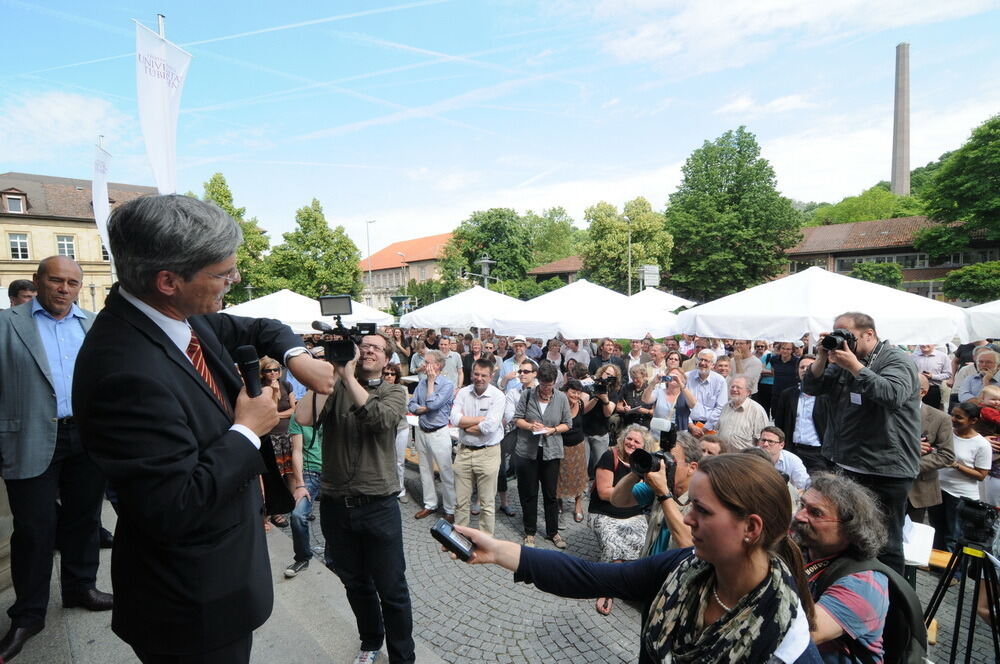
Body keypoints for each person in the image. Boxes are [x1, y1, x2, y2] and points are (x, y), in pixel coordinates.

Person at [74, 195, 335, 663]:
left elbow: (261, 326)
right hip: (191, 607)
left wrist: (298, 356)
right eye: (222, 273)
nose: (235, 280)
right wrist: (247, 431)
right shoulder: (124, 371)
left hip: (220, 580)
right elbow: (175, 505)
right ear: (168, 280)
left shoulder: (173, 315)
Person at [450, 454, 821, 664]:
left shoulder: (787, 642)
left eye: (703, 511)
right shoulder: (683, 567)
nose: (687, 518)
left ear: (751, 528)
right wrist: (498, 550)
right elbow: (591, 576)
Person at [0, 257, 110, 662]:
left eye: (72, 282)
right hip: (29, 436)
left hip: (85, 435)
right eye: (55, 280)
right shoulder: (7, 323)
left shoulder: (94, 325)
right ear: (37, 280)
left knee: (84, 519)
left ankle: (81, 588)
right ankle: (28, 615)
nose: (64, 289)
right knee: (34, 530)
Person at [297, 329, 415, 664]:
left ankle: (403, 658)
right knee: (355, 583)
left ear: (387, 358)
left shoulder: (394, 391)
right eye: (363, 346)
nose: (368, 351)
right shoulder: (334, 387)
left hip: (378, 504)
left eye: (376, 347)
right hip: (336, 505)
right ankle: (370, 641)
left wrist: (348, 378)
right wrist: (332, 373)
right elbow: (303, 418)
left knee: (392, 589)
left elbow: (381, 421)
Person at [802, 311, 921, 574]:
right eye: (838, 334)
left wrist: (855, 366)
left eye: (848, 335)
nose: (843, 340)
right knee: (848, 536)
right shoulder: (841, 360)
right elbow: (811, 387)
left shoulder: (897, 360)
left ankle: (889, 596)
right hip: (845, 463)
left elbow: (892, 394)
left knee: (885, 542)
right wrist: (822, 355)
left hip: (885, 469)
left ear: (869, 334)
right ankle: (850, 588)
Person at [791, 473, 895, 664]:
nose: (799, 515)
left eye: (816, 513)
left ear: (850, 528)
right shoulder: (802, 548)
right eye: (802, 505)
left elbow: (797, 636)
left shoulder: (864, 584)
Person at [588, 426, 657, 616]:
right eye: (629, 438)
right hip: (604, 513)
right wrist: (632, 491)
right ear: (623, 438)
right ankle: (606, 589)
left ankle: (627, 579)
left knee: (644, 542)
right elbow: (603, 492)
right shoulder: (610, 456)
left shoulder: (645, 463)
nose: (631, 443)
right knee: (614, 547)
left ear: (644, 446)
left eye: (637, 441)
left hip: (633, 515)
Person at [611, 434, 702, 556]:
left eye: (669, 459)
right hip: (648, 564)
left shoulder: (700, 502)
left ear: (692, 468)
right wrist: (638, 470)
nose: (663, 464)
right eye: (661, 457)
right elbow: (617, 500)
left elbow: (688, 544)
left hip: (670, 568)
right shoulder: (657, 487)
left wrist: (663, 494)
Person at [513, 361, 572, 549]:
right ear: (538, 380)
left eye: (550, 385)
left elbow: (568, 423)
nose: (546, 389)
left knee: (550, 494)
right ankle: (529, 531)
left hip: (551, 451)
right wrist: (531, 426)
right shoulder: (527, 394)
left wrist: (552, 430)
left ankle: (552, 531)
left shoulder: (561, 398)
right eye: (543, 385)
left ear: (555, 383)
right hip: (528, 451)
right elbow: (517, 419)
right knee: (529, 493)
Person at [450, 359, 505, 535]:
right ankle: (459, 540)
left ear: (491, 376)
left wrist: (465, 425)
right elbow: (454, 419)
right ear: (472, 373)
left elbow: (490, 427)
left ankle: (485, 542)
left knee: (487, 504)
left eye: (483, 375)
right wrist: (479, 420)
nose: (479, 378)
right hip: (464, 452)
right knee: (461, 502)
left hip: (488, 453)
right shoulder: (463, 392)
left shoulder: (498, 396)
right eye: (476, 374)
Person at [927, 402, 991, 553]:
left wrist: (956, 465)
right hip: (938, 489)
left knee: (953, 535)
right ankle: (934, 562)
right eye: (952, 415)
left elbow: (981, 475)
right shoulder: (946, 434)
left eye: (959, 417)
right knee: (936, 530)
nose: (953, 419)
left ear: (973, 421)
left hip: (960, 496)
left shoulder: (982, 444)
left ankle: (950, 566)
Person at [409, 350, 456, 522]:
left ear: (437, 365)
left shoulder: (447, 384)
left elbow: (433, 403)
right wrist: (423, 409)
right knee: (425, 470)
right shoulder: (421, 382)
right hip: (422, 431)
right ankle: (430, 504)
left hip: (439, 433)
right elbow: (411, 404)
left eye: (427, 362)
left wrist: (430, 382)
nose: (423, 365)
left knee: (445, 472)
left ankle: (450, 509)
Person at [284, 391, 325, 579]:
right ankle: (302, 557)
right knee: (298, 515)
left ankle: (333, 560)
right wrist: (300, 484)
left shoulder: (333, 412)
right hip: (311, 471)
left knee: (335, 519)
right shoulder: (298, 417)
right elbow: (297, 451)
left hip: (335, 472)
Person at [905, 374, 955, 524]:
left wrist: (908, 465)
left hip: (918, 489)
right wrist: (909, 447)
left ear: (922, 392)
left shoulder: (940, 418)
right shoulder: (885, 412)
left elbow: (946, 455)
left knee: (912, 533)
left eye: (908, 387)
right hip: (885, 486)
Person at [772, 355, 831, 474]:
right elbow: (779, 424)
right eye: (802, 367)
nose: (805, 370)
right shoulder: (788, 395)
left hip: (818, 454)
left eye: (810, 367)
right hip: (793, 450)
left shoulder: (827, 396)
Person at [260, 356, 297, 528]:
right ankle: (275, 510)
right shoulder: (261, 388)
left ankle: (294, 505)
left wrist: (277, 416)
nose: (273, 373)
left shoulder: (287, 385)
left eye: (276, 369)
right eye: (268, 370)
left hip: (287, 433)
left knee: (291, 471)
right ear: (263, 372)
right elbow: (269, 410)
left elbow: (293, 409)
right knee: (276, 474)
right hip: (270, 436)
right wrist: (274, 392)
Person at [556, 380, 590, 524]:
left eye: (578, 392)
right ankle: (558, 503)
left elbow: (589, 399)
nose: (576, 395)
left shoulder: (581, 404)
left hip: (578, 446)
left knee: (579, 476)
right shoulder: (558, 404)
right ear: (565, 391)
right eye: (573, 392)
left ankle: (578, 505)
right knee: (559, 476)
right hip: (561, 446)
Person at [583, 363, 622, 478]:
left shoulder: (613, 393)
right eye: (607, 373)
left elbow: (608, 413)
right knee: (582, 465)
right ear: (601, 373)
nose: (608, 377)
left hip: (601, 433)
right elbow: (583, 410)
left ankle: (598, 486)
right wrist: (595, 397)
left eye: (611, 376)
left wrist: (605, 399)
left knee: (600, 466)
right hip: (584, 431)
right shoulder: (589, 386)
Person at [641, 367, 696, 444]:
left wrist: (680, 383)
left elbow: (692, 404)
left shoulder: (685, 395)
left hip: (678, 438)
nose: (673, 377)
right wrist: (653, 383)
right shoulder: (659, 392)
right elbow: (645, 400)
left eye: (676, 375)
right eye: (671, 375)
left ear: (682, 379)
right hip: (657, 437)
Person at [380, 363, 410, 503]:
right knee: (382, 459)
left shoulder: (403, 389)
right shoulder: (377, 389)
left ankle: (400, 489)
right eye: (386, 373)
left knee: (399, 461)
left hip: (401, 428)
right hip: (383, 429)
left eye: (392, 374)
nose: (389, 376)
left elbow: (403, 409)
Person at [714, 376, 769, 450]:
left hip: (744, 456)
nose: (734, 389)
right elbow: (717, 430)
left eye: (738, 387)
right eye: (732, 387)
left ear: (748, 392)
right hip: (723, 454)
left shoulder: (757, 411)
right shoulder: (726, 407)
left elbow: (763, 440)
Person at [756, 426, 810, 491]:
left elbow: (803, 487)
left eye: (770, 441)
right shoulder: (750, 455)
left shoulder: (793, 461)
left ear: (781, 445)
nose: (765, 444)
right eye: (763, 440)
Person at [685, 349, 727, 432]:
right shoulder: (686, 377)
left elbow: (720, 407)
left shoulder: (720, 381)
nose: (702, 363)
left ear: (713, 365)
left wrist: (706, 428)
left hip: (710, 427)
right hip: (688, 425)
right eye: (700, 359)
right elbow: (681, 405)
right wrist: (691, 426)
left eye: (706, 361)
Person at [910, 344, 950, 410]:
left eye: (927, 343)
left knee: (932, 412)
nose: (924, 345)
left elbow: (948, 374)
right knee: (914, 410)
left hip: (933, 389)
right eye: (922, 342)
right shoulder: (913, 356)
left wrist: (933, 376)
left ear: (933, 344)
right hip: (915, 389)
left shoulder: (942, 356)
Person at [619, 365, 655, 429]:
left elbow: (656, 411)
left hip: (645, 422)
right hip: (628, 422)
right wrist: (624, 409)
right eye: (633, 378)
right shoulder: (626, 387)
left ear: (643, 376)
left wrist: (647, 411)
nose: (635, 380)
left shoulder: (650, 389)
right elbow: (618, 407)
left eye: (637, 378)